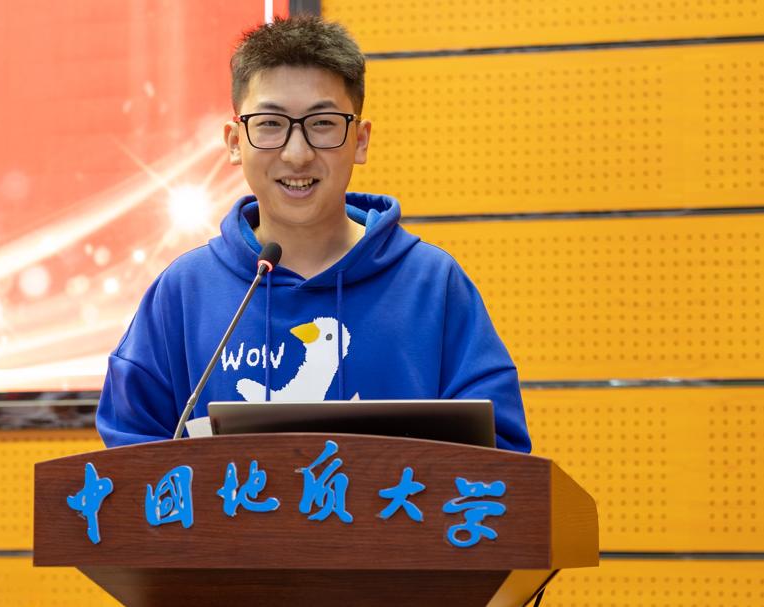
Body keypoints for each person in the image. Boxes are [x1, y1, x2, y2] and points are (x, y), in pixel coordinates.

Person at [96, 16, 531, 453]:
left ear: (360, 140)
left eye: (322, 123)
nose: (297, 153)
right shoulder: (184, 292)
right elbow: (129, 457)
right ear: (234, 142)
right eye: (270, 123)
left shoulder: (432, 284)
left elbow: (501, 457)